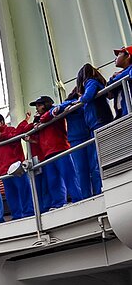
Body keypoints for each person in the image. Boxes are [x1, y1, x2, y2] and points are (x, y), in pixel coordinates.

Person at [57, 64, 113, 197]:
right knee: (89, 166)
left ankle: (98, 192)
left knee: (95, 163)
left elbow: (87, 96)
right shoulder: (92, 83)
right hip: (93, 126)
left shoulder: (90, 82)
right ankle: (92, 193)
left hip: (96, 124)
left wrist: (79, 101)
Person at [27, 96, 84, 209]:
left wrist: (45, 116)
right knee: (53, 180)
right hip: (47, 153)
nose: (37, 108)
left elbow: (67, 103)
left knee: (69, 176)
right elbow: (40, 138)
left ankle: (78, 199)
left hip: (60, 149)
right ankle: (59, 203)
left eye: (39, 105)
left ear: (46, 104)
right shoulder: (40, 120)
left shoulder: (54, 112)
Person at [0, 113, 34, 220]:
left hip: (16, 167)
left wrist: (1, 136)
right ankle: (17, 215)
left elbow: (15, 138)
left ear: (1, 122)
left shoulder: (10, 129)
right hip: (3, 170)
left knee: (23, 190)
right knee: (11, 194)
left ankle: (29, 212)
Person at [107, 45, 132, 118]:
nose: (115, 58)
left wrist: (114, 78)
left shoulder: (129, 70)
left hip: (128, 110)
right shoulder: (120, 74)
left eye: (119, 54)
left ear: (128, 56)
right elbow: (109, 93)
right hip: (122, 112)